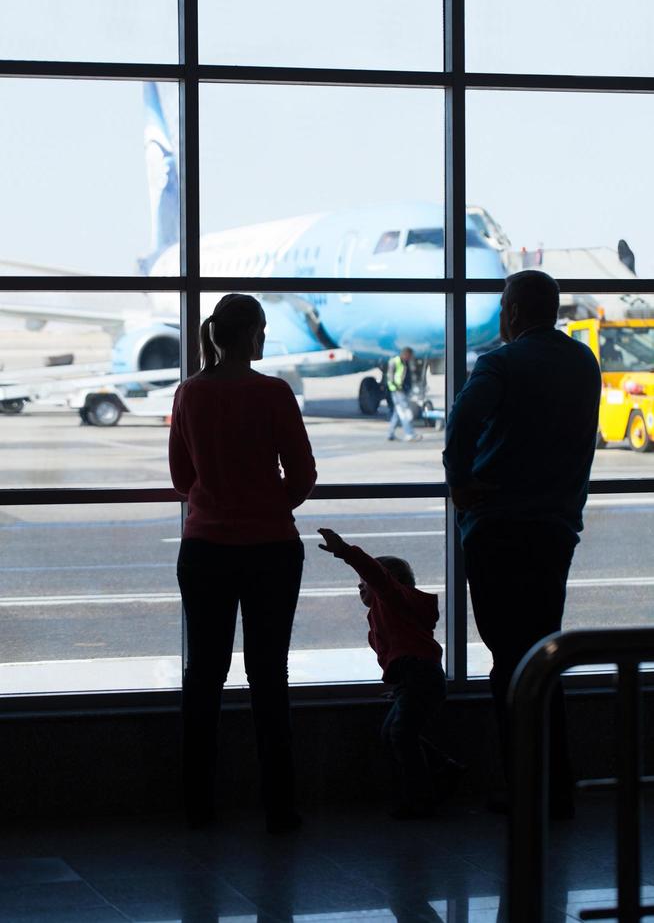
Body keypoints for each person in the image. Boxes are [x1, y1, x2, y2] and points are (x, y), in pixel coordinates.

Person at [443, 270, 601, 818]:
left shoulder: (500, 364)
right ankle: (558, 784)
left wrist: (459, 478)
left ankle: (524, 786)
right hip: (556, 530)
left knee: (508, 660)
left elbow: (463, 419)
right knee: (543, 654)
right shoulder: (584, 363)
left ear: (511, 311)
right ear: (553, 311)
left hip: (498, 530)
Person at [168, 293, 316, 832]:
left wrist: (217, 500)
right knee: (268, 674)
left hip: (205, 547)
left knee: (204, 673)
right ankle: (279, 805)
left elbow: (182, 479)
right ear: (253, 334)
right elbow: (301, 475)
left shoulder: (189, 394)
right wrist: (268, 503)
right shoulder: (273, 393)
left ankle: (198, 804)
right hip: (271, 549)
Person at [317, 527, 461, 818]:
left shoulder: (393, 600)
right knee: (398, 733)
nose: (361, 588)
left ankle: (422, 798)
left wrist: (346, 551)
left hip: (418, 676)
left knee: (400, 734)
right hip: (418, 678)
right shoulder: (397, 607)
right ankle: (443, 769)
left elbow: (376, 576)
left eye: (364, 583)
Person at [386, 347, 422, 442]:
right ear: (406, 354)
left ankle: (390, 433)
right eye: (410, 356)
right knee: (405, 412)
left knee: (397, 413)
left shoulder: (404, 362)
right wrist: (396, 387)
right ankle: (409, 433)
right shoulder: (395, 361)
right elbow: (390, 377)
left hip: (403, 390)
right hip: (398, 391)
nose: (410, 358)